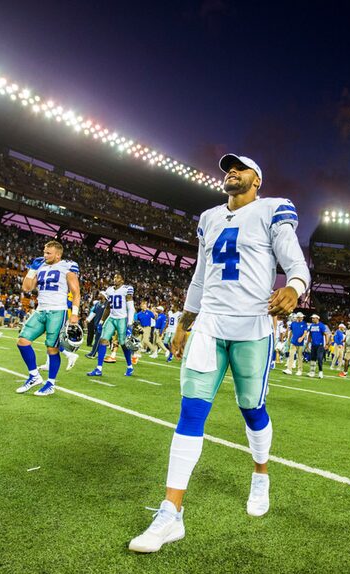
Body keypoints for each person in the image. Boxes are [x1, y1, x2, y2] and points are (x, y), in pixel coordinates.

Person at [128, 153, 310, 553]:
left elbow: (295, 261)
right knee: (191, 410)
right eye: (228, 167)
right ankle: (170, 514)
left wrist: (294, 287)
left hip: (251, 325)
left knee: (251, 408)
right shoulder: (209, 217)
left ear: (257, 179)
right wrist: (182, 321)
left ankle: (260, 473)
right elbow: (200, 274)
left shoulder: (272, 209)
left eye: (240, 168)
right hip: (209, 323)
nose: (231, 172)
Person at [15, 240, 80, 396]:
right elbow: (26, 288)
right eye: (44, 252)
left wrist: (75, 313)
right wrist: (32, 270)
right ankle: (34, 376)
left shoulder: (67, 266)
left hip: (58, 310)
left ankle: (50, 383)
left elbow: (76, 292)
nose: (44, 255)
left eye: (48, 253)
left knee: (52, 347)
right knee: (22, 341)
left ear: (58, 255)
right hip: (41, 310)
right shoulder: (41, 266)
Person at [87, 272, 135, 377]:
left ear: (122, 280)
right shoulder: (109, 290)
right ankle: (99, 368)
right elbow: (108, 307)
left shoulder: (127, 289)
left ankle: (130, 366)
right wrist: (101, 321)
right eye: (114, 277)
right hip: (112, 318)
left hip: (122, 319)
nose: (115, 279)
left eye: (118, 277)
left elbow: (131, 308)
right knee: (103, 340)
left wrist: (130, 324)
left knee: (123, 344)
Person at [85, 291, 107, 357]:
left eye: (100, 294)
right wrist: (88, 319)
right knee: (99, 340)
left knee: (97, 339)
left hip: (103, 325)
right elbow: (93, 312)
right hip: (96, 324)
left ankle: (93, 353)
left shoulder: (107, 304)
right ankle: (99, 353)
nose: (99, 295)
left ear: (104, 296)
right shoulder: (97, 304)